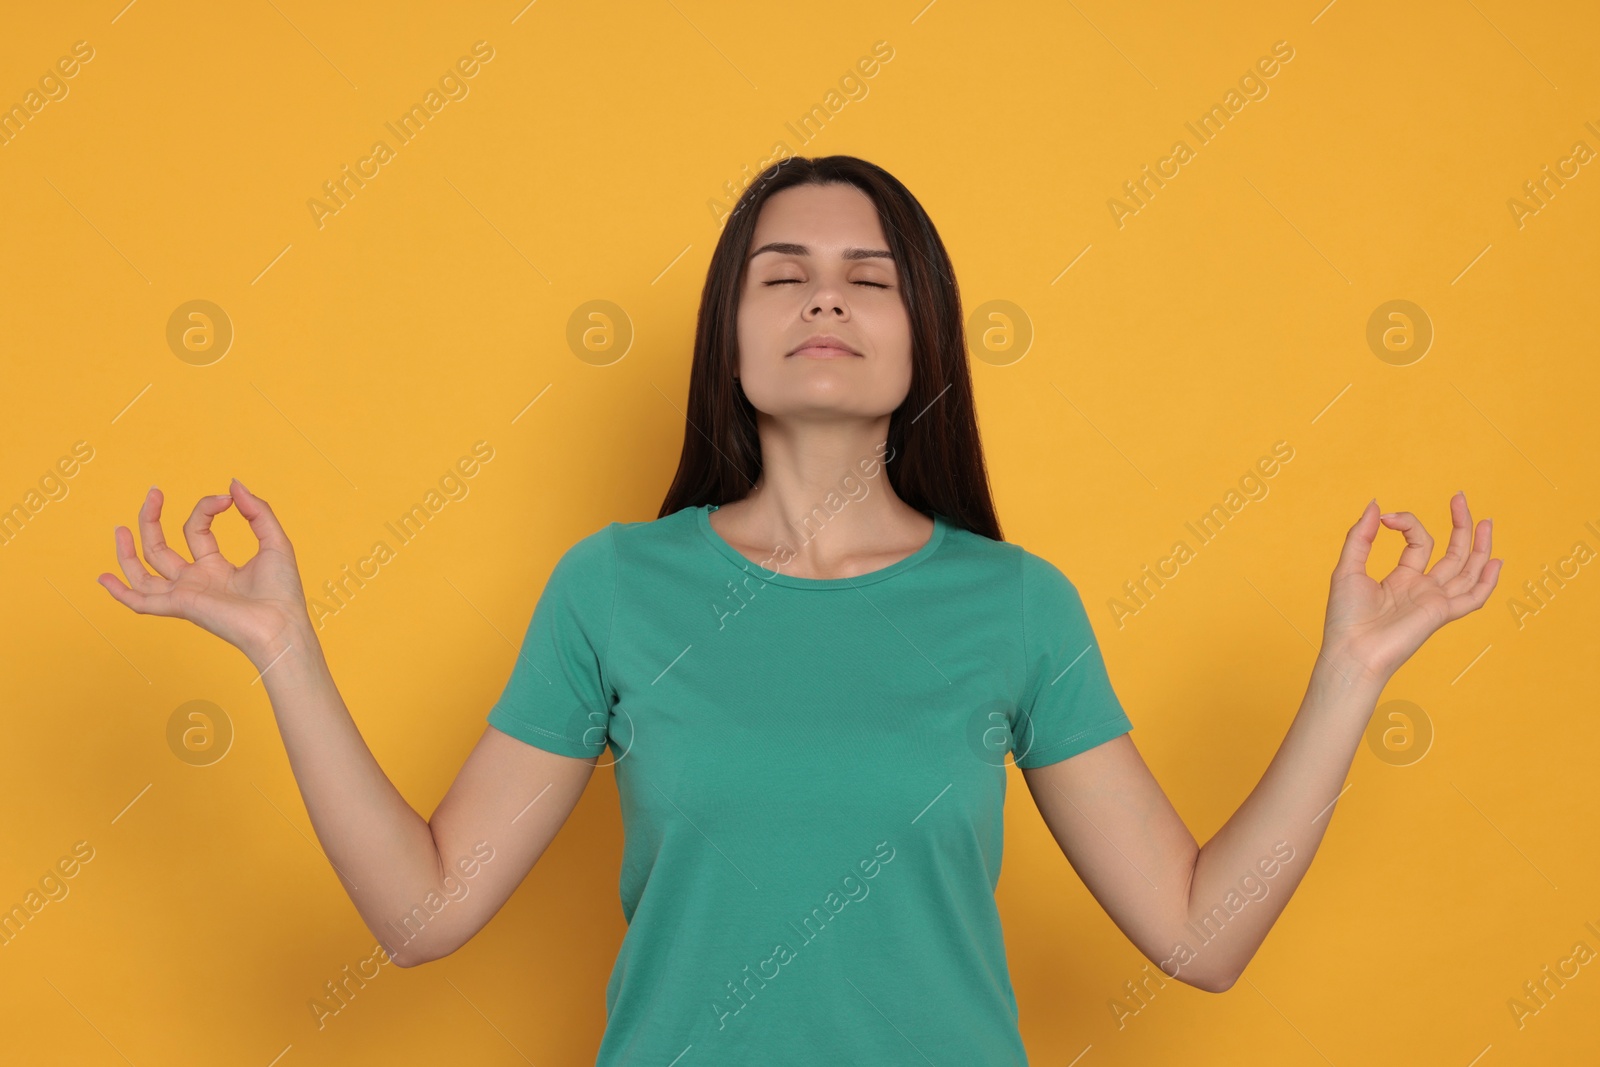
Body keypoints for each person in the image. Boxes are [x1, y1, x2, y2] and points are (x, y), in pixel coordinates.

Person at [97, 155, 1501, 1064]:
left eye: (867, 278)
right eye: (784, 275)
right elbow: (424, 913)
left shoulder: (1015, 607)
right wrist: (283, 647)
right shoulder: (614, 587)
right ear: (731, 331)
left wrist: (1351, 676)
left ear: (920, 334)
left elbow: (1203, 936)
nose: (824, 299)